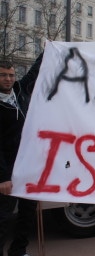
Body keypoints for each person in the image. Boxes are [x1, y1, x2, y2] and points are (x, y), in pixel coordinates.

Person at [0, 54, 43, 256]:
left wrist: (47, 52)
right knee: (3, 217)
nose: (8, 79)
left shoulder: (19, 91)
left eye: (10, 75)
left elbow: (34, 73)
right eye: (3, 75)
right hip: (7, 170)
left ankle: (19, 250)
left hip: (27, 166)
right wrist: (3, 177)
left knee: (27, 213)